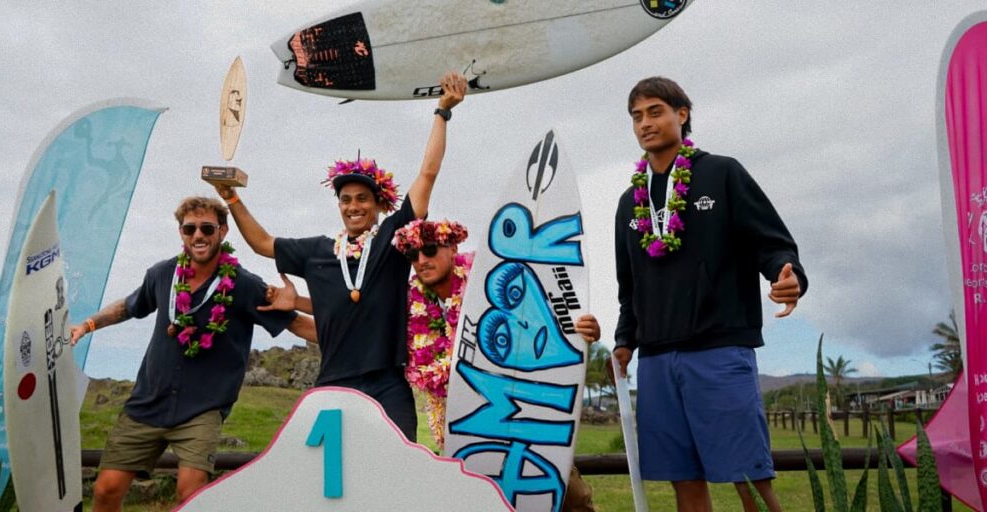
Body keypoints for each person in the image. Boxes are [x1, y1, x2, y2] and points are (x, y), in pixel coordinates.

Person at [213, 72, 468, 441]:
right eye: (345, 199)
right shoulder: (316, 250)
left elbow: (427, 175)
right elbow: (262, 243)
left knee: (396, 470)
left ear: (379, 204)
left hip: (387, 384)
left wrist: (442, 112)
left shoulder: (393, 240)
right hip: (333, 384)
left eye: (362, 198)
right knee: (329, 476)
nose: (353, 206)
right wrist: (232, 198)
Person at [612, 77, 807, 512]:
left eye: (656, 111)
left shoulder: (722, 173)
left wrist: (788, 275)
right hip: (656, 358)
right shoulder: (629, 202)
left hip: (719, 348)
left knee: (749, 478)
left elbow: (771, 243)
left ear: (682, 114)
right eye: (637, 116)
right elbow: (629, 287)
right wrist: (625, 341)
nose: (645, 123)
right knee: (684, 482)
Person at [68, 196, 316, 511]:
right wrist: (88, 325)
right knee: (106, 490)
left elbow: (296, 324)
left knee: (191, 494)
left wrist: (353, 337)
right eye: (190, 229)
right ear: (181, 233)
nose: (198, 235)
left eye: (207, 228)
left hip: (203, 409)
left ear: (223, 231)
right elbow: (129, 306)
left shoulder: (243, 285)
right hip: (148, 402)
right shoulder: (162, 274)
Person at [390, 218, 600, 512]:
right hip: (465, 424)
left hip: (521, 409)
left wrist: (582, 329)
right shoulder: (408, 306)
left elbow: (546, 314)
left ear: (453, 248)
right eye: (413, 255)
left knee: (567, 495)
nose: (422, 260)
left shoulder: (487, 281)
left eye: (430, 250)